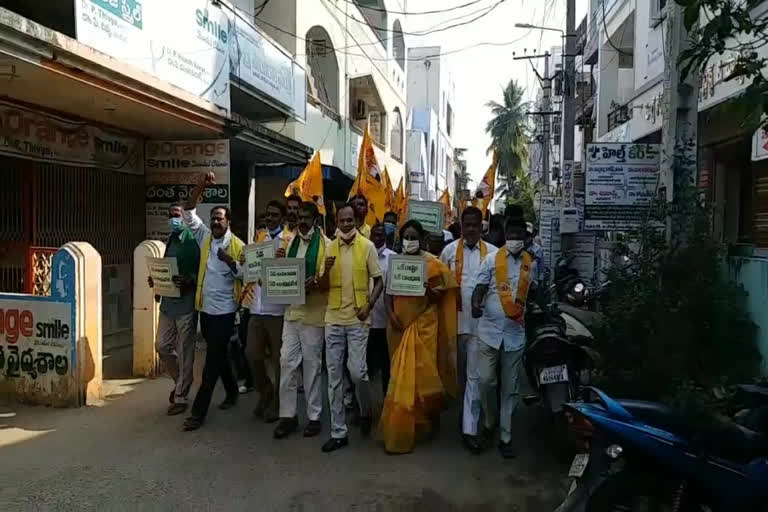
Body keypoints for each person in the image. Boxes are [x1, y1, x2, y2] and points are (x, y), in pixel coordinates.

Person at [379, 220, 459, 454]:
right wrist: (391, 314)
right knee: (400, 376)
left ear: (422, 240)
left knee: (424, 375)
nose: (409, 241)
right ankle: (407, 423)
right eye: (406, 237)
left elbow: (442, 296)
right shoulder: (397, 263)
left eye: (414, 237)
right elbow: (387, 293)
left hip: (425, 325)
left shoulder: (433, 265)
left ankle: (427, 421)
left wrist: (429, 290)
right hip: (398, 326)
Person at [466, 216, 538, 457]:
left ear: (526, 238)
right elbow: (480, 287)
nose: (515, 240)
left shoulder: (531, 264)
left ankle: (505, 436)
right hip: (489, 332)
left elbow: (534, 293)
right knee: (486, 381)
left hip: (515, 335)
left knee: (511, 388)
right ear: (506, 236)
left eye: (519, 236)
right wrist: (476, 303)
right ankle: (489, 421)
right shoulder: (491, 260)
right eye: (512, 235)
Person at [181, 172, 245, 431]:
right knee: (220, 356)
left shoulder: (238, 246)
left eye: (219, 218)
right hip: (205, 310)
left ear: (228, 222)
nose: (215, 222)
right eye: (213, 218)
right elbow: (188, 211)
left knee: (210, 364)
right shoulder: (205, 237)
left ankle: (198, 414)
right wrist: (199, 186)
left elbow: (247, 274)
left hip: (226, 313)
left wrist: (230, 261)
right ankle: (232, 391)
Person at [317, 203, 384, 452]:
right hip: (333, 319)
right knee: (334, 379)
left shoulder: (367, 247)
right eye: (342, 220)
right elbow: (322, 286)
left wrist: (369, 305)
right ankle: (338, 432)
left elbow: (379, 281)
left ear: (356, 221)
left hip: (358, 319)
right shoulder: (329, 248)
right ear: (336, 222)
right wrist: (326, 272)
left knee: (358, 373)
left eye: (349, 220)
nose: (346, 224)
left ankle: (365, 411)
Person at [439, 206, 498, 448]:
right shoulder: (449, 251)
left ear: (481, 226)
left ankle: (469, 430)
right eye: (467, 225)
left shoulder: (493, 254)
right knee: (459, 374)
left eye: (475, 225)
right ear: (461, 226)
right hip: (454, 323)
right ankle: (465, 414)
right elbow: (440, 279)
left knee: (474, 376)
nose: (471, 229)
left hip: (480, 325)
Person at [273, 202, 328, 439]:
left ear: (315, 219)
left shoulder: (325, 244)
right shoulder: (289, 241)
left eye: (306, 216)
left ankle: (314, 416)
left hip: (314, 313)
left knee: (312, 365)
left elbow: (327, 278)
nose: (302, 220)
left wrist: (315, 282)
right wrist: (277, 263)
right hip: (292, 312)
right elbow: (280, 275)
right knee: (286, 361)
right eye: (299, 216)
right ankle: (288, 416)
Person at [240, 199, 293, 423]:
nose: (269, 218)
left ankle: (278, 405)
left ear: (282, 217)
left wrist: (286, 261)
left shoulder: (290, 240)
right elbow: (249, 271)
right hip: (257, 307)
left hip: (279, 311)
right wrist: (244, 261)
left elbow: (295, 273)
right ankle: (265, 391)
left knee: (280, 362)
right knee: (252, 355)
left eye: (274, 215)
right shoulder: (259, 238)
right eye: (267, 215)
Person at [148, 203, 201, 415]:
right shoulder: (171, 240)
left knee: (185, 350)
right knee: (161, 346)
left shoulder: (193, 241)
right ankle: (181, 381)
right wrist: (157, 282)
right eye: (170, 215)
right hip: (168, 304)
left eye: (177, 215)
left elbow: (203, 270)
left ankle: (181, 396)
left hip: (186, 304)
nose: (173, 219)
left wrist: (190, 280)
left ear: (184, 217)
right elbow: (165, 268)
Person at [368, 222, 396, 395]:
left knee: (387, 366)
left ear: (385, 237)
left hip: (386, 322)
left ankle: (387, 402)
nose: (377, 237)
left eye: (380, 234)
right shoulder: (363, 254)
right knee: (368, 367)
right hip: (365, 321)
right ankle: (368, 405)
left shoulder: (394, 258)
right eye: (374, 234)